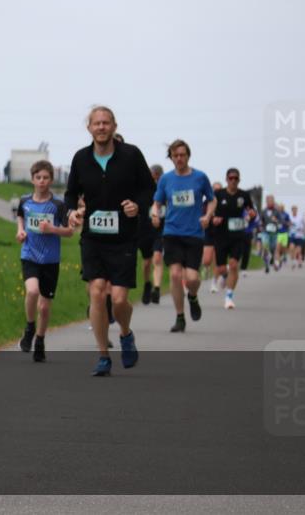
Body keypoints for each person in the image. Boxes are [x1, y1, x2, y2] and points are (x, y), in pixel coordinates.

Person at [65, 106, 155, 376]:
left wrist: (137, 206)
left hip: (124, 238)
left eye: (106, 123)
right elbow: (71, 194)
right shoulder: (81, 158)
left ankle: (126, 334)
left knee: (117, 300)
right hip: (93, 238)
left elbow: (149, 189)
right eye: (96, 123)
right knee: (96, 291)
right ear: (89, 128)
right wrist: (72, 212)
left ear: (114, 126)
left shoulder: (131, 155)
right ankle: (103, 355)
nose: (101, 127)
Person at [151, 139, 216, 333]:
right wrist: (155, 213)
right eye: (175, 155)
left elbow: (212, 200)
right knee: (175, 274)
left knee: (192, 278)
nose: (179, 158)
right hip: (171, 232)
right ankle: (180, 317)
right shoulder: (166, 179)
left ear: (188, 156)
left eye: (182, 155)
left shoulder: (200, 178)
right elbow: (157, 202)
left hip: (194, 234)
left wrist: (208, 215)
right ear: (171, 157)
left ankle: (193, 297)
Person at [16, 161, 74, 363]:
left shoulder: (58, 205)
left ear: (51, 179)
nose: (42, 181)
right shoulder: (25, 201)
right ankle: (30, 327)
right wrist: (20, 231)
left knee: (45, 307)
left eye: (46, 178)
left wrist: (53, 229)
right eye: (38, 177)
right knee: (32, 291)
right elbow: (21, 217)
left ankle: (40, 340)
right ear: (32, 179)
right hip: (30, 255)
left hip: (50, 259)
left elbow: (69, 231)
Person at [210, 168, 255, 310]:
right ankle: (224, 275)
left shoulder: (244, 195)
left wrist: (251, 214)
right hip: (221, 236)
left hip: (237, 236)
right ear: (226, 179)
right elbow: (210, 211)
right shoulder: (218, 194)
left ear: (239, 180)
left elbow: (251, 211)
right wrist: (213, 219)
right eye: (231, 178)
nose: (233, 181)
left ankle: (229, 297)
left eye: (236, 178)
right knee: (222, 267)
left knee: (234, 265)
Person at [139, 164, 165, 305]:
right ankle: (147, 284)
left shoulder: (165, 191)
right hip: (144, 230)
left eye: (158, 177)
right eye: (153, 177)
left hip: (160, 230)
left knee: (157, 258)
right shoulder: (143, 191)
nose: (155, 180)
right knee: (147, 262)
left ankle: (157, 288)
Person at [258, 195, 282, 273]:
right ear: (266, 202)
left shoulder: (277, 211)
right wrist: (261, 226)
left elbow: (281, 221)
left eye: (272, 201)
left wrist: (276, 221)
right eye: (269, 201)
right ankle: (267, 265)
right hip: (265, 232)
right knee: (265, 248)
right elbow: (260, 221)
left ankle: (274, 260)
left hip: (274, 233)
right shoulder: (263, 211)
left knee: (273, 249)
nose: (270, 202)